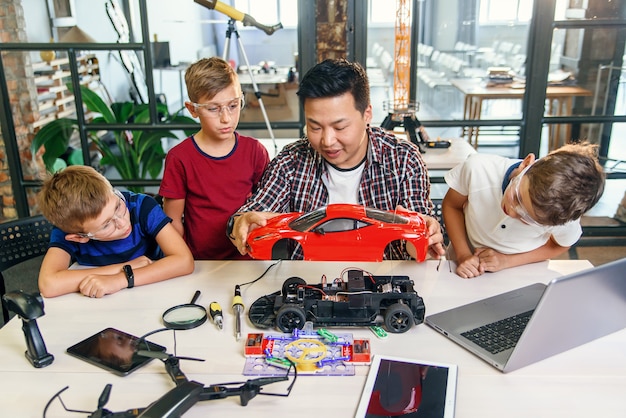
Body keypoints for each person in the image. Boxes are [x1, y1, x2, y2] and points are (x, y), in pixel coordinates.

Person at [228, 58, 445, 260]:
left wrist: (425, 235)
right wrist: (242, 223)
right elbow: (252, 214)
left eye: (340, 127)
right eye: (314, 127)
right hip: (309, 287)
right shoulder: (291, 161)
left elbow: (416, 237)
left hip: (382, 286)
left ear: (367, 114)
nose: (327, 141)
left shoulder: (403, 160)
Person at [159, 57, 269, 260]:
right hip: (201, 261)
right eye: (213, 108)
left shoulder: (255, 151)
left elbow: (266, 208)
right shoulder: (179, 158)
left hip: (248, 259)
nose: (226, 118)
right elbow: (173, 220)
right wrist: (181, 261)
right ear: (193, 109)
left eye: (234, 105)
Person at [442, 142, 605, 279]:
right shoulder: (478, 168)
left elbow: (560, 245)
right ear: (526, 164)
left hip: (523, 273)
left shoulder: (562, 215)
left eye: (527, 218)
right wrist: (463, 254)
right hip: (464, 263)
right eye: (517, 197)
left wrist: (507, 261)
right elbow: (452, 205)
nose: (512, 212)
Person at [38, 165, 194, 298]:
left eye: (118, 206)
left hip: (153, 293)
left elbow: (184, 261)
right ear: (79, 237)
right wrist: (126, 267)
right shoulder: (68, 230)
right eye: (106, 225)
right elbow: (48, 284)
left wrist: (122, 279)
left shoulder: (141, 207)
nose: (122, 222)